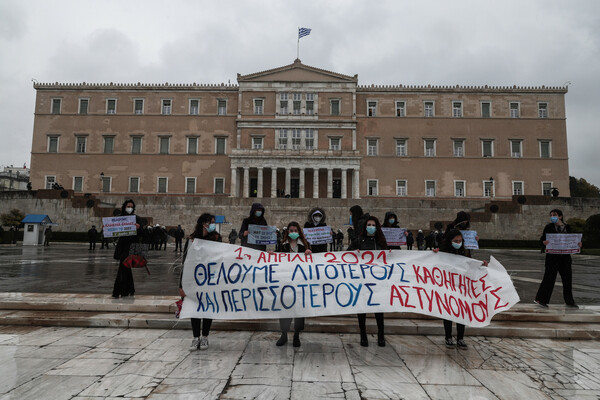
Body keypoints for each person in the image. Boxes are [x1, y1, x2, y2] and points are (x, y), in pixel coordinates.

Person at [435, 229, 488, 349]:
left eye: (460, 240)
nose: (458, 243)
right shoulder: (443, 252)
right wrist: (434, 254)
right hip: (448, 286)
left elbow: (471, 264)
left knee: (462, 312)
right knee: (448, 312)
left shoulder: (464, 252)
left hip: (462, 287)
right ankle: (448, 337)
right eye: (455, 241)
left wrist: (481, 265)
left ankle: (460, 338)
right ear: (450, 241)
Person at [179, 213, 222, 350]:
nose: (213, 225)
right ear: (204, 223)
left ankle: (205, 337)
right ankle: (195, 337)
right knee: (194, 308)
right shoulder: (191, 239)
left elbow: (221, 256)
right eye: (212, 222)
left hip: (210, 278)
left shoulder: (216, 238)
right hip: (193, 279)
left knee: (208, 307)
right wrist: (181, 284)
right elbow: (184, 262)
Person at [348, 215, 387, 347]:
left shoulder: (381, 241)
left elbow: (390, 258)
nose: (371, 227)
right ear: (365, 227)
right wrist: (355, 252)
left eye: (373, 225)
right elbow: (347, 254)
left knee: (379, 309)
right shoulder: (359, 240)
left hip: (377, 279)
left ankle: (381, 335)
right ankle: (363, 335)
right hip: (362, 279)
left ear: (377, 227)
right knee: (362, 308)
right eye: (369, 225)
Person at [534, 209, 582, 309]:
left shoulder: (567, 227)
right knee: (549, 278)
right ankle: (541, 299)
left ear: (560, 216)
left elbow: (573, 239)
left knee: (567, 279)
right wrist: (544, 243)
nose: (552, 217)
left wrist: (579, 244)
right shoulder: (549, 227)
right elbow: (542, 239)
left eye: (554, 215)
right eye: (551, 215)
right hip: (552, 257)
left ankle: (569, 301)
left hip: (565, 258)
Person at [275, 221, 312, 347]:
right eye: (291, 231)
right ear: (287, 232)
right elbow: (276, 259)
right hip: (285, 282)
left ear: (299, 232)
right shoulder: (282, 245)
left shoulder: (305, 245)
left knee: (299, 309)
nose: (293, 233)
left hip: (300, 282)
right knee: (285, 308)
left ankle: (296, 335)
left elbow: (312, 263)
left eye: (295, 231)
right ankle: (284, 334)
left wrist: (309, 254)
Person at [112, 199, 143, 298]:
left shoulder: (136, 218)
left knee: (124, 266)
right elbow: (113, 231)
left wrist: (139, 228)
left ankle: (119, 291)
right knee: (125, 267)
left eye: (131, 207)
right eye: (128, 206)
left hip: (131, 246)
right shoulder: (120, 218)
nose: (129, 208)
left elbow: (144, 234)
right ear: (124, 207)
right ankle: (129, 289)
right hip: (122, 246)